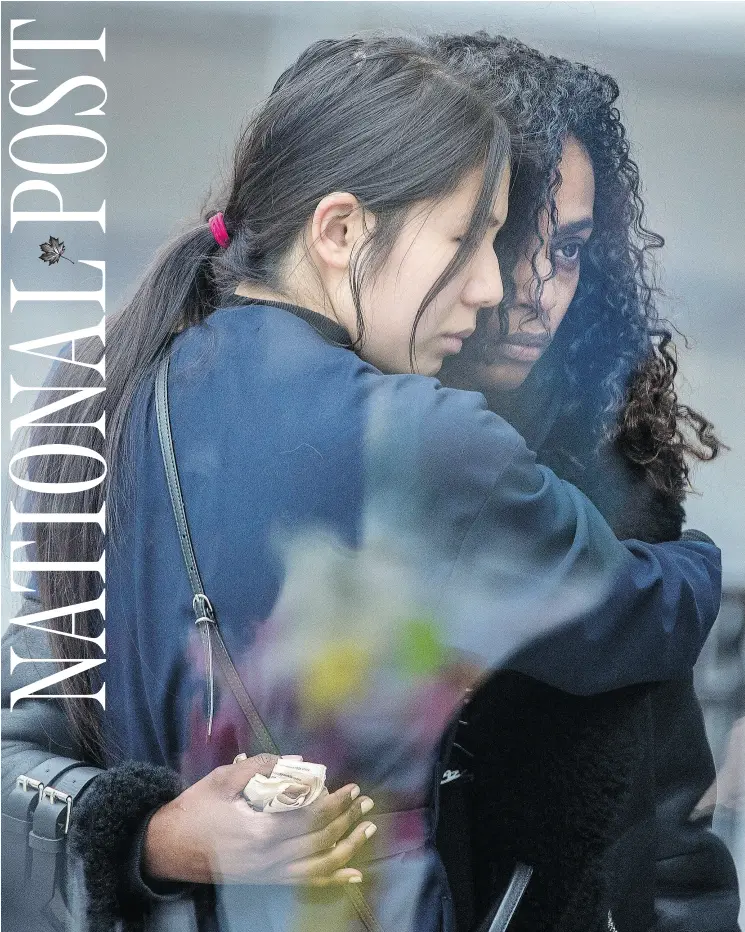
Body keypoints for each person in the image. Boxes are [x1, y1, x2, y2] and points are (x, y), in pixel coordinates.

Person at [2, 32, 724, 932]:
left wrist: (153, 839)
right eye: (477, 237)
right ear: (341, 229)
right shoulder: (428, 440)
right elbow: (22, 754)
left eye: (566, 249)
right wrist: (694, 558)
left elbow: (668, 858)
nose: (511, 288)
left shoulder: (105, 387)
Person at [430, 33, 741, 932]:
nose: (533, 291)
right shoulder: (317, 449)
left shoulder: (615, 486)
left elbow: (669, 826)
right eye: (503, 242)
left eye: (565, 251)